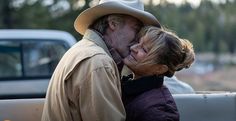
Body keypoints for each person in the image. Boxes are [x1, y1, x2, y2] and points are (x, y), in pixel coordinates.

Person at [41, 0, 160, 121]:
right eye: (136, 29)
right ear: (113, 23)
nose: (139, 38)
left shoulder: (84, 50)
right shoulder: (99, 62)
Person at [121, 26, 195, 121]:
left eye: (144, 49)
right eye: (138, 43)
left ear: (160, 69)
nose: (133, 48)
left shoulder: (159, 110)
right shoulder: (129, 87)